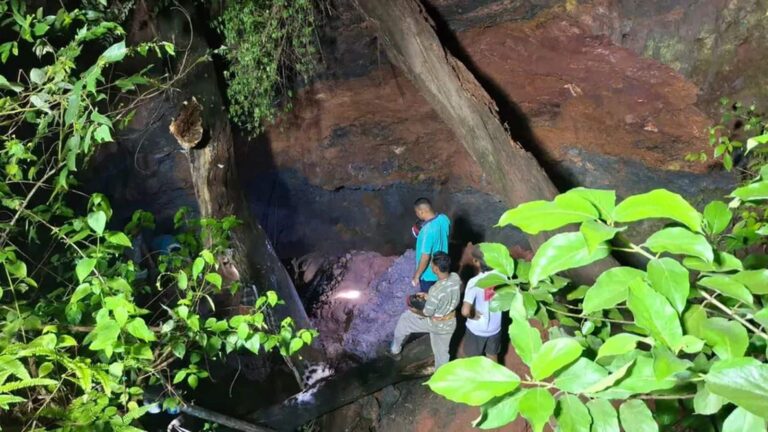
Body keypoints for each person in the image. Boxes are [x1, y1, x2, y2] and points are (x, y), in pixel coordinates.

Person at [391, 252, 460, 370]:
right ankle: (441, 379)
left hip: (437, 324)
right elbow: (445, 294)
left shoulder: (435, 290)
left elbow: (427, 313)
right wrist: (428, 296)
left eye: (432, 265)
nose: (431, 266)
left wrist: (413, 309)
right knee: (442, 355)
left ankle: (394, 350)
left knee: (405, 320)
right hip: (451, 322)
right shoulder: (455, 277)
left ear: (436, 269)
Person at [461, 246, 503, 362]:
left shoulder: (474, 282)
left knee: (473, 360)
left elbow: (465, 311)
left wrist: (473, 315)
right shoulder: (502, 276)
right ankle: (495, 379)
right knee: (492, 356)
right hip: (495, 327)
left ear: (476, 262)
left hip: (477, 329)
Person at [411, 198, 451, 293]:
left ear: (421, 212)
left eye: (416, 212)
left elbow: (425, 257)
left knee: (428, 299)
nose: (416, 214)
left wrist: (417, 276)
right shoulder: (444, 218)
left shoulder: (427, 231)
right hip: (442, 269)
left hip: (429, 274)